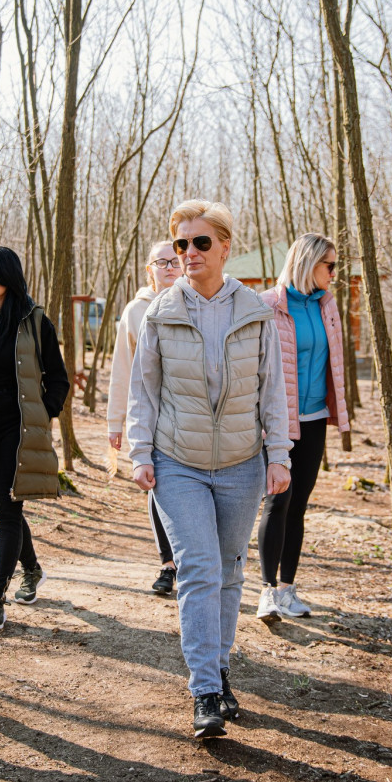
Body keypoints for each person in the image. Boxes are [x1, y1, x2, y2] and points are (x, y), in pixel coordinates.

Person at [127, 199, 292, 739]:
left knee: (229, 571)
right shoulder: (161, 311)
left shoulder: (255, 310)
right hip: (179, 463)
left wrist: (278, 455)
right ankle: (203, 692)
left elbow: (273, 391)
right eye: (181, 244)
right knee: (197, 569)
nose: (189, 253)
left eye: (200, 242)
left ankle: (220, 670)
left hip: (243, 463)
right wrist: (140, 452)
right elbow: (144, 391)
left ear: (225, 246)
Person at [0, 246, 69, 631]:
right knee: (5, 508)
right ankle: (33, 569)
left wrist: (44, 412)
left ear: (7, 275)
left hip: (17, 430)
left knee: (10, 509)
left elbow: (58, 377)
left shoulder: (33, 320)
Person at [256, 234, 350, 623]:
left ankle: (287, 590)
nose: (334, 273)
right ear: (309, 263)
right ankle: (265, 592)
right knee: (278, 500)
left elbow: (336, 367)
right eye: (330, 265)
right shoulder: (268, 306)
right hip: (278, 423)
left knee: (299, 506)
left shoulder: (328, 307)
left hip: (314, 420)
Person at [107, 240, 182, 595]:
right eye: (162, 261)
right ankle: (168, 564)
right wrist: (114, 421)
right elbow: (121, 368)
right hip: (150, 415)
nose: (170, 266)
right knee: (156, 483)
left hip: (190, 414)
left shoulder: (193, 302)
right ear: (149, 269)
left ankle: (192, 560)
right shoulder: (136, 312)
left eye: (175, 261)